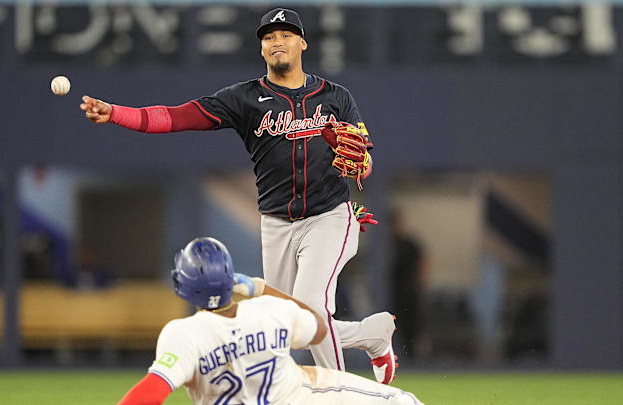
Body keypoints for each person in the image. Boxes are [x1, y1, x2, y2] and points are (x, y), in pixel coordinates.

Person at [81, 7, 394, 381]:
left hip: (329, 217)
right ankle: (372, 335)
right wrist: (115, 112)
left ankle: (342, 393)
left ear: (302, 43)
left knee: (310, 306)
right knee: (282, 324)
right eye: (268, 37)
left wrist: (360, 163)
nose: (277, 41)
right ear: (262, 49)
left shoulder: (336, 96)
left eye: (286, 34)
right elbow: (175, 117)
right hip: (276, 223)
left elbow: (366, 161)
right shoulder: (244, 98)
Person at [117, 237, 423, 405]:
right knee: (404, 401)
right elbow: (318, 326)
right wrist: (261, 288)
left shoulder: (183, 334)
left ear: (184, 287)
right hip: (300, 397)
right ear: (229, 278)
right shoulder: (268, 309)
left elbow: (150, 392)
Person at [389, 209, 427, 360]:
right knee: (391, 329)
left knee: (411, 329)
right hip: (390, 294)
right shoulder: (384, 246)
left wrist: (420, 285)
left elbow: (422, 263)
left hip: (408, 293)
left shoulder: (408, 244)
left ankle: (413, 359)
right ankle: (393, 358)